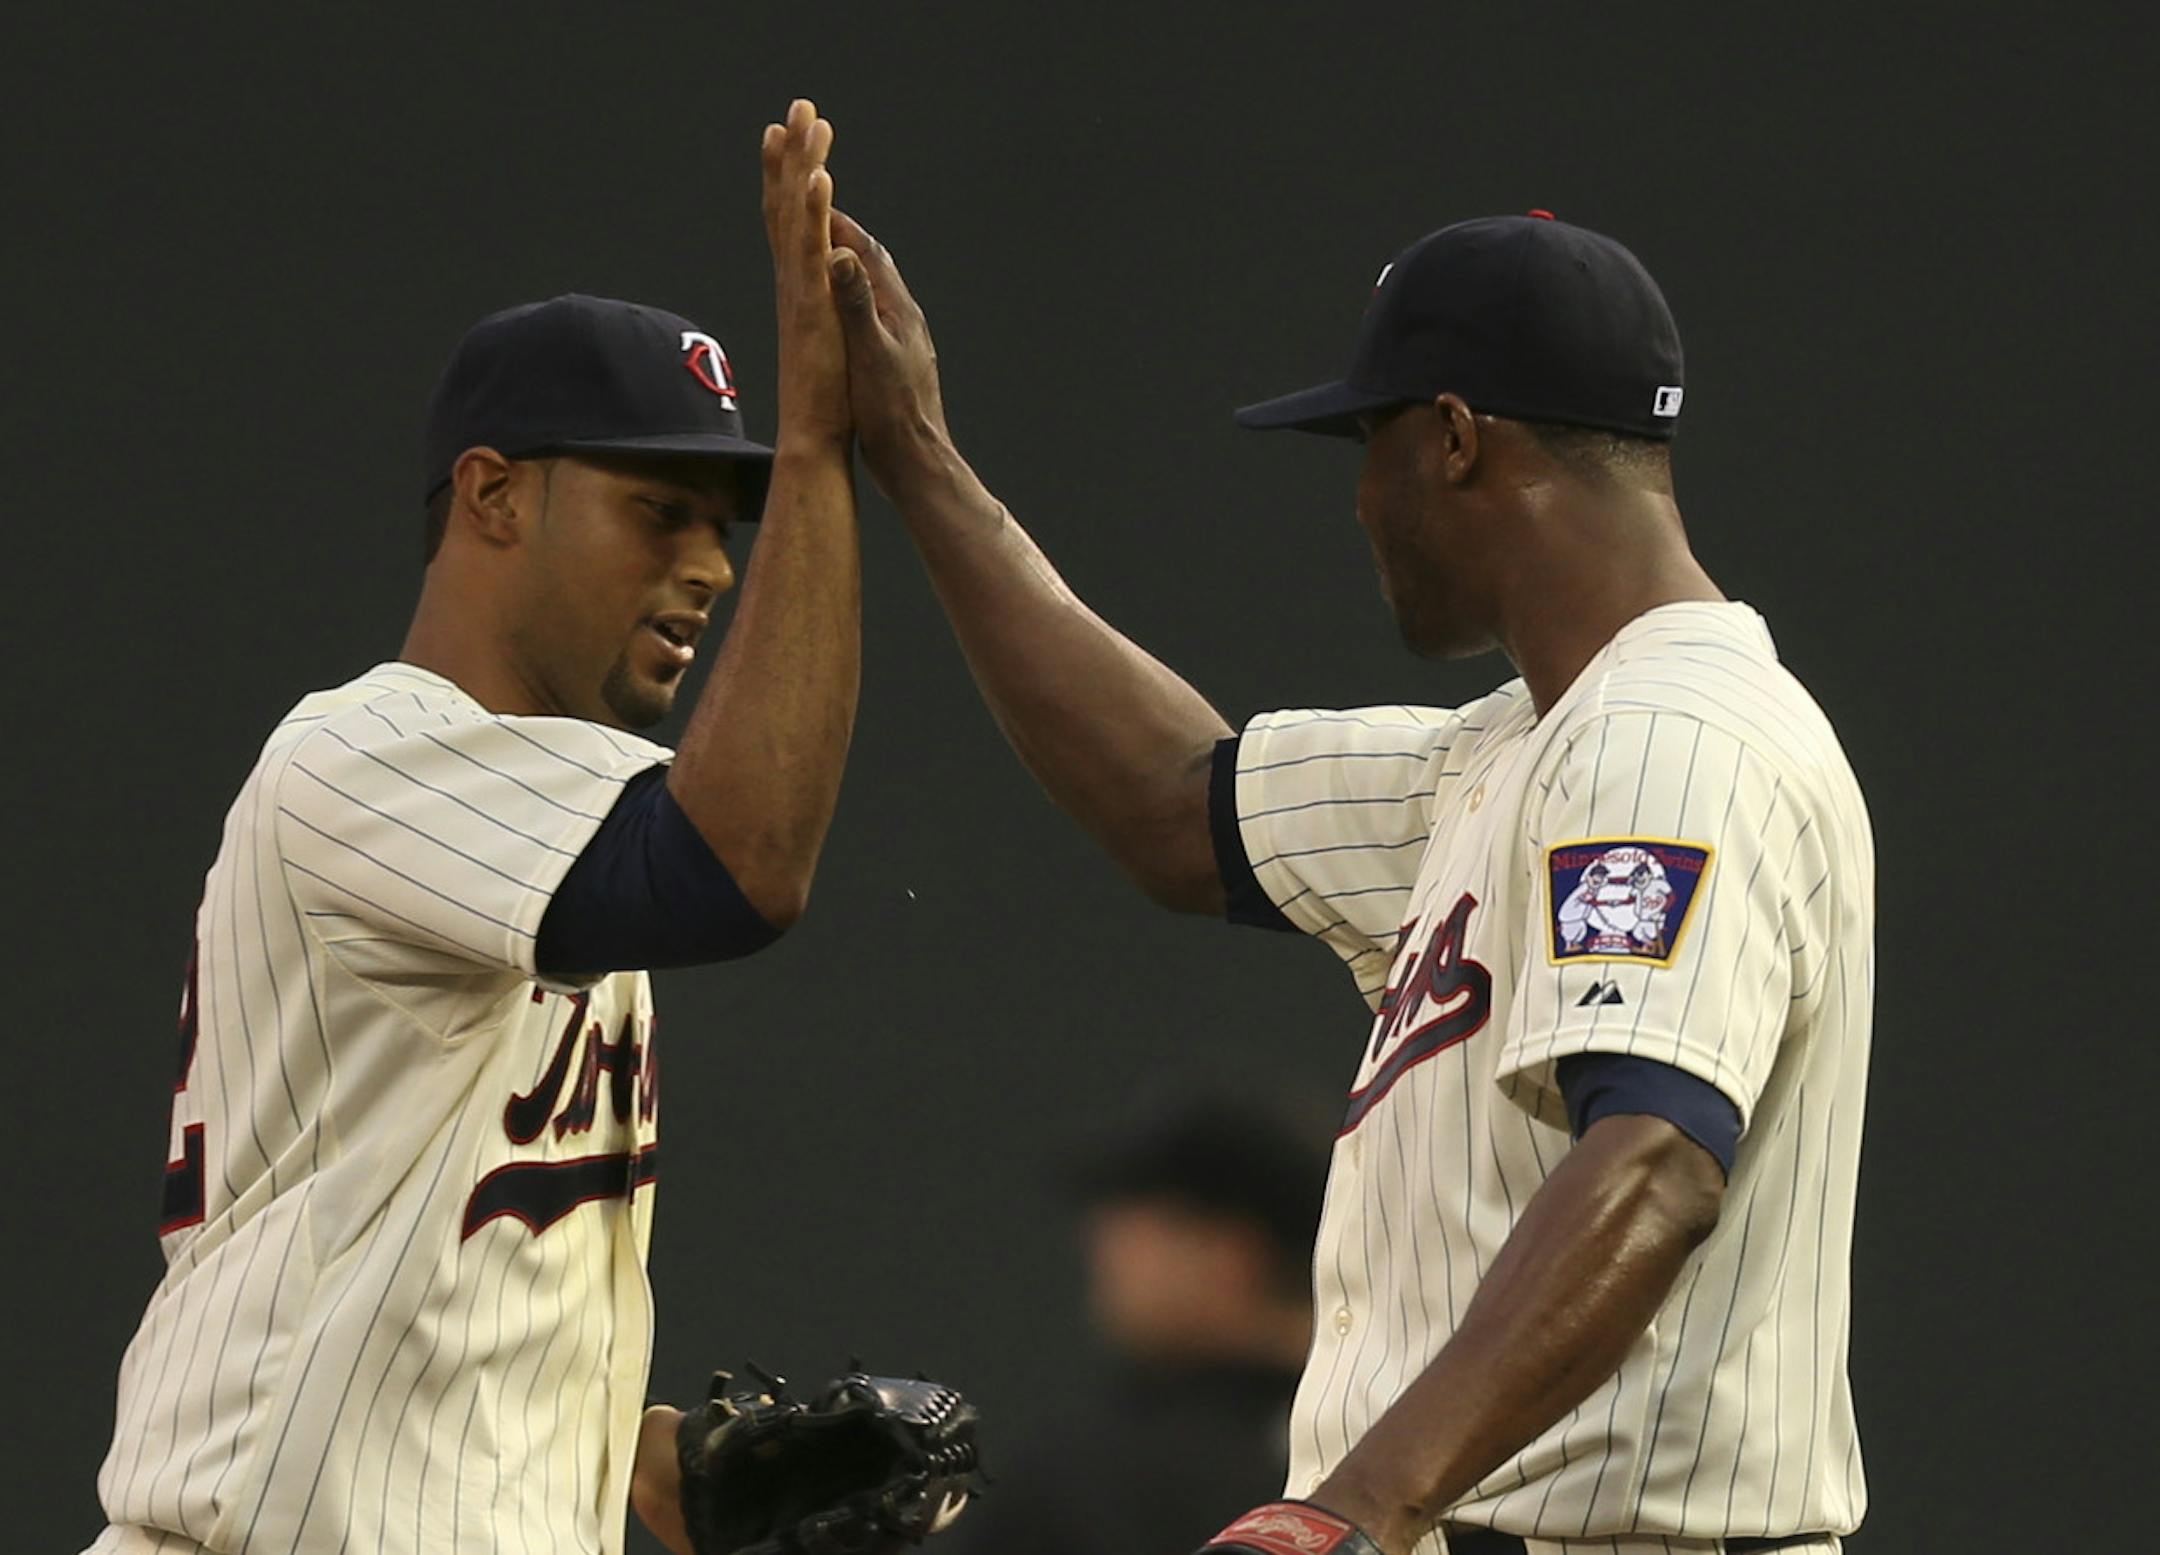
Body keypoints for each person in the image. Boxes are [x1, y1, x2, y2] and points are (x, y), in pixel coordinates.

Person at [824, 206, 1873, 1555]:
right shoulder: (1516, 749)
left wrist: (1359, 1500)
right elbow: (1172, 803)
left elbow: (1657, 1156)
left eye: (1369, 446)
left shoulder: (1667, 739)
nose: (1362, 497)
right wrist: (917, 458)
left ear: (1452, 436)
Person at [83, 100, 857, 1555]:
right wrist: (816, 444)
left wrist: (654, 1463)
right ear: (495, 494)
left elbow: (410, 1260)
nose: (707, 567)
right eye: (660, 509)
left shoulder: (554, 814)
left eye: (726, 526)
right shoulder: (368, 752)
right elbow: (742, 866)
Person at [942, 1092, 1325, 1555]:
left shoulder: (1091, 1481)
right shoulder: (1392, 1446)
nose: (1099, 1247)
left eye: (1139, 1219)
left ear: (1230, 1253)